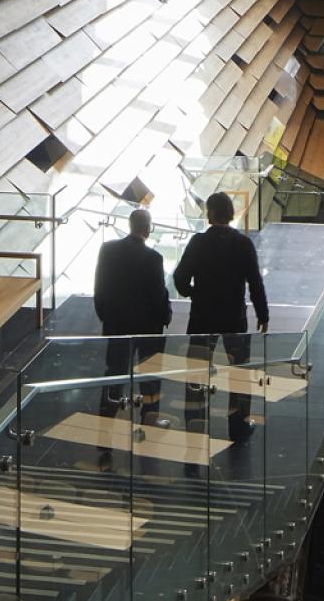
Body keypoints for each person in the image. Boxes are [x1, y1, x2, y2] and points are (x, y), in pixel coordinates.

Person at [172, 190, 270, 443]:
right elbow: (255, 282)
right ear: (230, 214)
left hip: (202, 317)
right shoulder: (243, 243)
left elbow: (180, 277)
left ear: (211, 214)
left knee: (196, 373)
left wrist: (193, 293)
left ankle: (195, 429)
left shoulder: (197, 242)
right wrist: (263, 313)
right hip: (234, 317)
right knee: (239, 372)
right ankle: (238, 428)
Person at [92, 208, 171, 466]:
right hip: (147, 328)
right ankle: (148, 424)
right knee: (149, 375)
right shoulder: (153, 258)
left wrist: (105, 315)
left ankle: (105, 430)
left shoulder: (108, 250)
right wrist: (166, 317)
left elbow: (99, 287)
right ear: (147, 229)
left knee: (114, 374)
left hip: (117, 325)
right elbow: (159, 295)